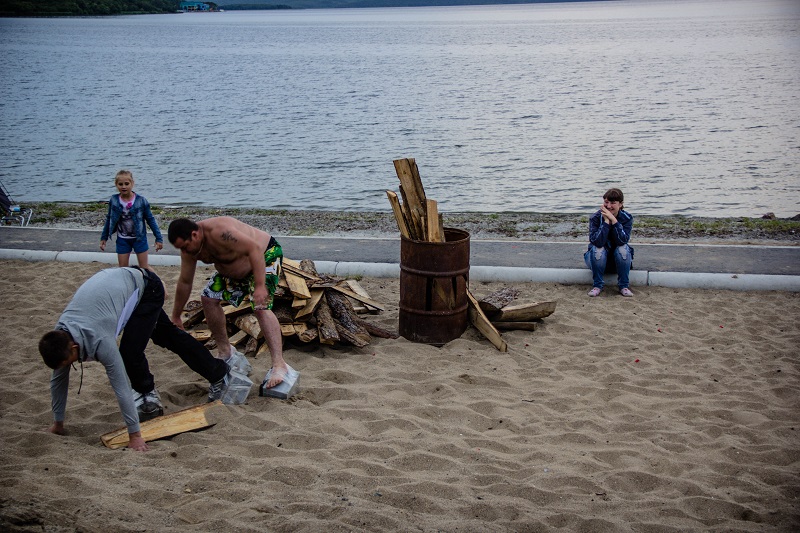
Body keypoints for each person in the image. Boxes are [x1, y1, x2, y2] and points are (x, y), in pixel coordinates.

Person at [39, 267, 235, 452]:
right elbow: (58, 379)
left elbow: (121, 384)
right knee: (168, 335)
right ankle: (216, 372)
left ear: (74, 347)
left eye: (70, 361)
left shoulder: (100, 340)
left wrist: (135, 435)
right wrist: (58, 423)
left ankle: (147, 392)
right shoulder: (60, 336)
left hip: (147, 288)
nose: (71, 364)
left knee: (130, 353)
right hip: (121, 286)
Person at [167, 217, 289, 391]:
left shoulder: (221, 232)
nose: (184, 251)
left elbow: (254, 248)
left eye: (185, 246)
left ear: (194, 235)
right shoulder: (190, 249)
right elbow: (185, 282)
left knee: (261, 307)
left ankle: (279, 364)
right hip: (234, 272)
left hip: (265, 256)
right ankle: (226, 351)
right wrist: (176, 314)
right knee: (208, 298)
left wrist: (260, 286)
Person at [100, 170, 163, 270]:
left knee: (144, 267)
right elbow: (109, 219)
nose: (124, 186)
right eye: (120, 184)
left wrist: (158, 238)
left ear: (132, 184)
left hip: (139, 238)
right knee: (123, 268)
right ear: (116, 185)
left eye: (126, 184)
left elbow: (150, 219)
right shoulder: (114, 200)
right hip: (122, 239)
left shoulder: (141, 201)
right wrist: (104, 238)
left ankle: (158, 283)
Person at [584, 187, 634, 297]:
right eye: (606, 202)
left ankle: (624, 286)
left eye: (613, 203)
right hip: (597, 259)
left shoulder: (627, 218)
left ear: (620, 204)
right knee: (598, 249)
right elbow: (597, 242)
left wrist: (615, 221)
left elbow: (622, 240)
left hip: (618, 260)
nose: (609, 206)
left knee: (623, 248)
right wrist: (606, 222)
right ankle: (597, 285)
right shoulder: (596, 218)